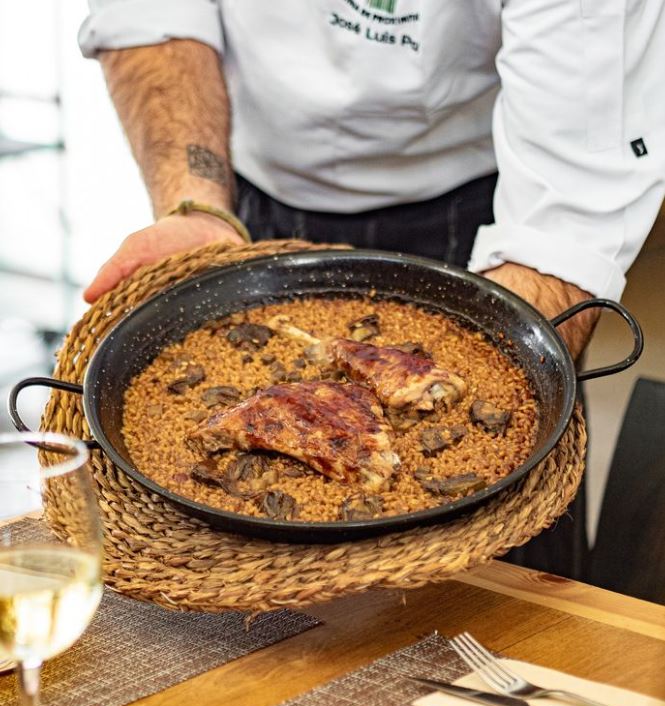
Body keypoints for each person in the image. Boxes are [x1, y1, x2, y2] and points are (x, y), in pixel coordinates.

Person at [78, 1, 664, 578]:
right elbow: (152, 15)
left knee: (512, 598)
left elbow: (573, 188)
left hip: (486, 213)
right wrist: (197, 203)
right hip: (245, 196)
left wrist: (482, 377)